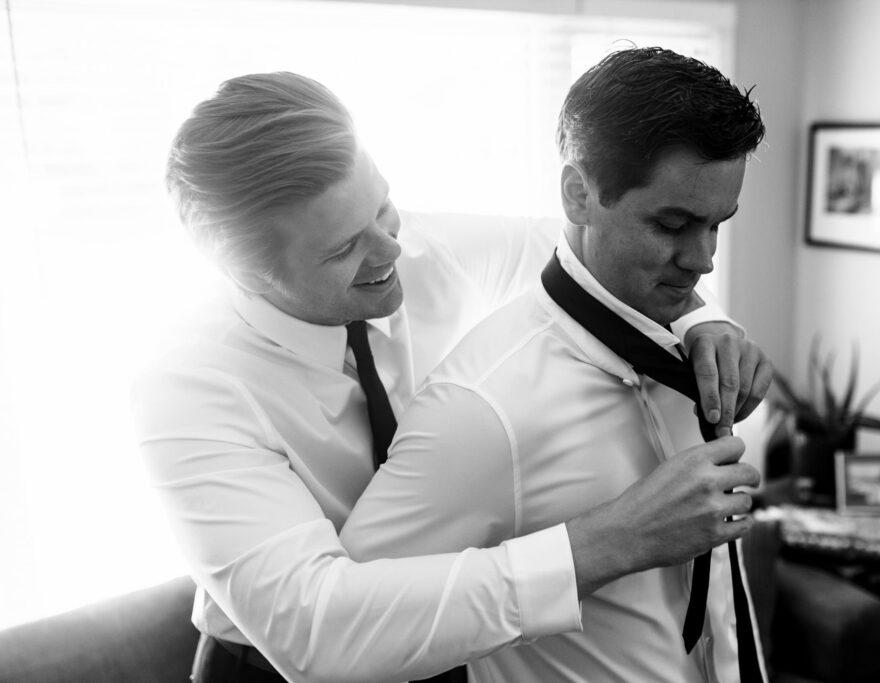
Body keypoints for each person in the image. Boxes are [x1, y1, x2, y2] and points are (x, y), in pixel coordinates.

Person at [132, 69, 770, 683]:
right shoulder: (189, 387)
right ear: (243, 271)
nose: (391, 252)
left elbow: (600, 249)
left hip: (456, 653)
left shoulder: (425, 251)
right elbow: (315, 631)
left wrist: (702, 322)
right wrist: (605, 544)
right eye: (342, 249)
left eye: (382, 209)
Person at [341, 47, 770, 683]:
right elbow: (349, 636)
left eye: (717, 225)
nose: (703, 259)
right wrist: (610, 542)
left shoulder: (694, 346)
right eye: (674, 224)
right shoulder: (480, 410)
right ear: (577, 194)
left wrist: (711, 319)